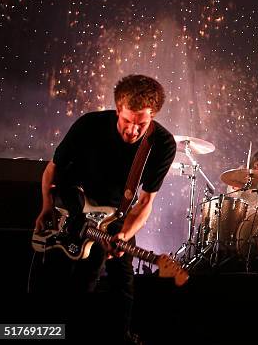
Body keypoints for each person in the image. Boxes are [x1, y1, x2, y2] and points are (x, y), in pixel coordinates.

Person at [33, 74, 176, 343]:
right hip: (74, 207)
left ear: (153, 116)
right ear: (117, 109)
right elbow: (52, 169)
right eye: (127, 121)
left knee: (123, 283)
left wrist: (125, 234)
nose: (133, 131)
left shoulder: (162, 144)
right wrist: (46, 206)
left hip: (116, 215)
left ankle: (120, 336)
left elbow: (145, 201)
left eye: (141, 124)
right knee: (81, 276)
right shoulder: (89, 125)